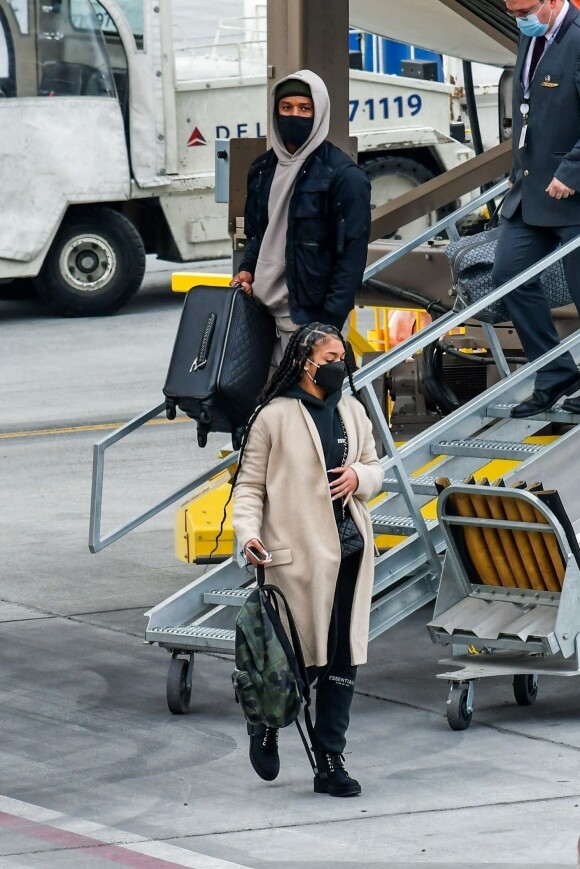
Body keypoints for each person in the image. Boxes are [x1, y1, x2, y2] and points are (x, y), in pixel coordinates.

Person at [231, 323, 383, 796]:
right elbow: (249, 487)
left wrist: (360, 477)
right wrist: (248, 535)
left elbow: (376, 466)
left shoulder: (353, 411)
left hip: (350, 556)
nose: (341, 363)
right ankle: (267, 723)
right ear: (305, 362)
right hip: (296, 562)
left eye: (343, 354)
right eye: (331, 356)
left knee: (342, 659)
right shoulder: (273, 417)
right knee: (296, 662)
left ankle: (329, 760)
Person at [230, 69, 371, 367]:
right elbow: (260, 234)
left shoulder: (344, 177)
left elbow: (351, 258)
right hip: (260, 314)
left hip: (309, 320)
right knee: (267, 408)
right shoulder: (261, 169)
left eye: (305, 108)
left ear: (319, 113)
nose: (294, 116)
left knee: (313, 410)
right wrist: (246, 269)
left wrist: (327, 325)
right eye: (286, 108)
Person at [492, 0, 580, 418]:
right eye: (513, 11)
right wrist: (517, 170)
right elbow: (530, 111)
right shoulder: (532, 37)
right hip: (530, 192)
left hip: (572, 193)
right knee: (509, 273)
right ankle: (554, 372)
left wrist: (572, 171)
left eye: (527, 9)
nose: (520, 18)